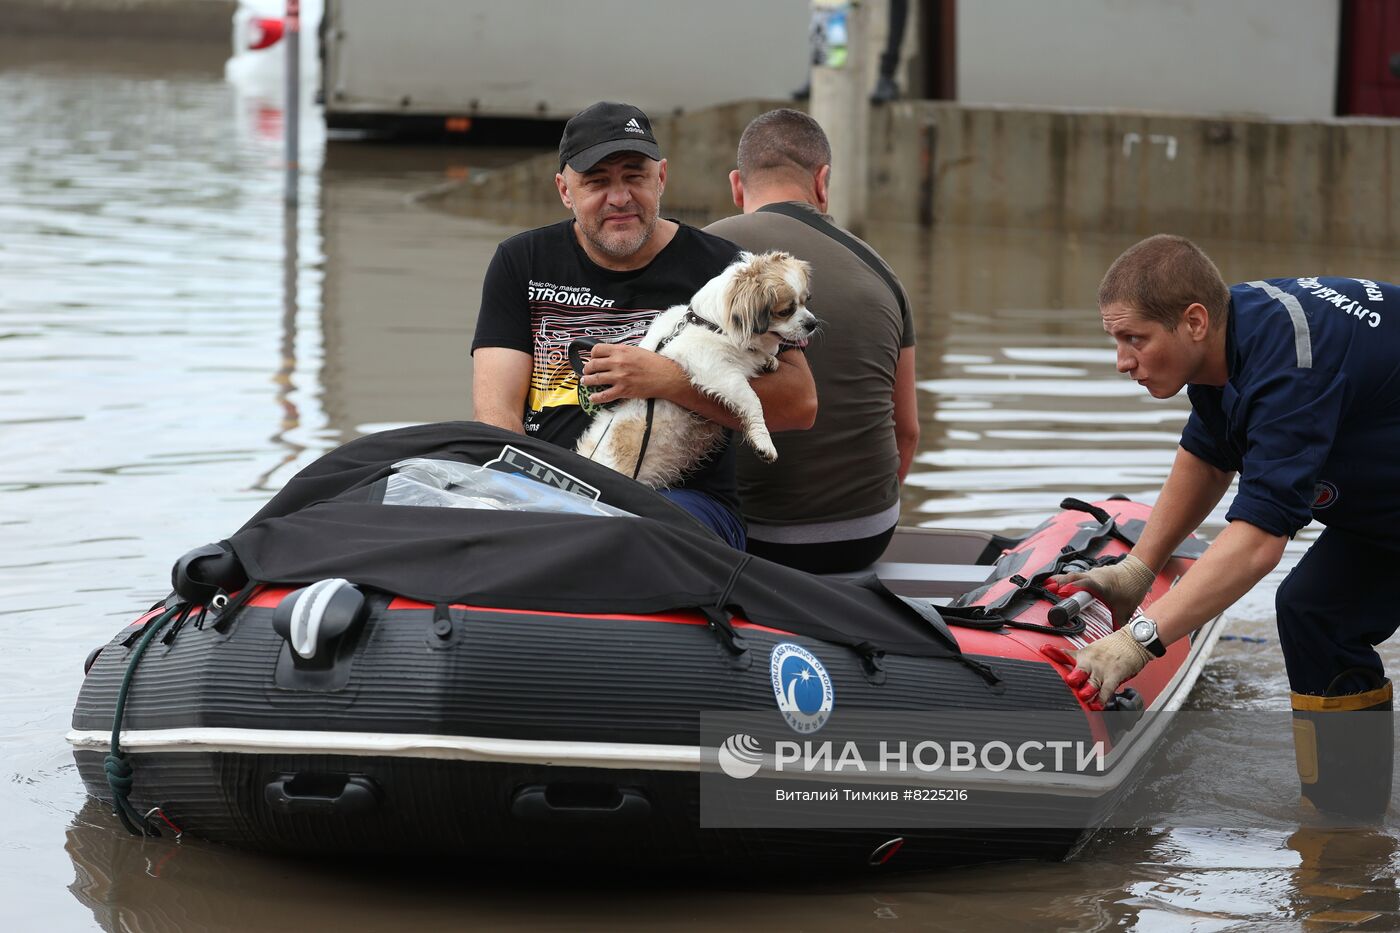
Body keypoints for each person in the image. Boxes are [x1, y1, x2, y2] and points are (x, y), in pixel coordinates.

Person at [1050, 234, 1399, 819]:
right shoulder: (1228, 335)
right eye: (1115, 339)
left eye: (1134, 339)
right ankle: (1346, 834)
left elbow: (1259, 541)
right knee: (1316, 614)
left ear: (1192, 321)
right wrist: (1139, 569)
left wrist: (1139, 641)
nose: (1122, 361)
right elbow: (1211, 456)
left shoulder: (1292, 369)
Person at [470, 101, 817, 549]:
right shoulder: (520, 261)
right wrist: (526, 497)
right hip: (551, 491)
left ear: (661, 179)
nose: (620, 198)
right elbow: (496, 414)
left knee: (625, 539)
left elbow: (800, 404)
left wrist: (668, 380)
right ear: (564, 190)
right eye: (596, 182)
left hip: (684, 502)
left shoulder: (724, 272)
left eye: (635, 176)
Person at [705, 109, 918, 573]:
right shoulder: (882, 272)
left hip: (748, 538)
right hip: (866, 535)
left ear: (737, 185)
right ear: (822, 182)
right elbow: (907, 431)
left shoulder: (706, 251)